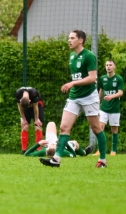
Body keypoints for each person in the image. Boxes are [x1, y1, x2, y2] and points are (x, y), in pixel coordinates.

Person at [40, 30, 109, 169]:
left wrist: (72, 83)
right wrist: (73, 85)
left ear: (80, 40)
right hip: (74, 97)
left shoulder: (89, 56)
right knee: (64, 127)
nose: (69, 40)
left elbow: (92, 78)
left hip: (89, 97)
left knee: (96, 128)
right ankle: (56, 159)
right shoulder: (72, 56)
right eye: (68, 38)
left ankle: (102, 160)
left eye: (72, 38)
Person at [98, 60, 125, 155]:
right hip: (103, 108)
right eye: (106, 65)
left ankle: (113, 150)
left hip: (114, 109)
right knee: (100, 128)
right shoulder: (102, 78)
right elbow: (101, 91)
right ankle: (100, 150)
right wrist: (97, 102)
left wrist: (111, 97)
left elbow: (121, 92)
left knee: (114, 130)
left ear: (114, 67)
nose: (108, 67)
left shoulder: (119, 79)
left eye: (110, 65)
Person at [15, 86, 44, 151]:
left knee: (38, 126)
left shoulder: (34, 93)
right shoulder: (18, 94)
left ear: (30, 100)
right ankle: (24, 150)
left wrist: (36, 119)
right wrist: (23, 119)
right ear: (20, 100)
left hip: (38, 106)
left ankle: (38, 149)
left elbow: (35, 107)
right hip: (26, 108)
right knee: (24, 126)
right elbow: (20, 108)